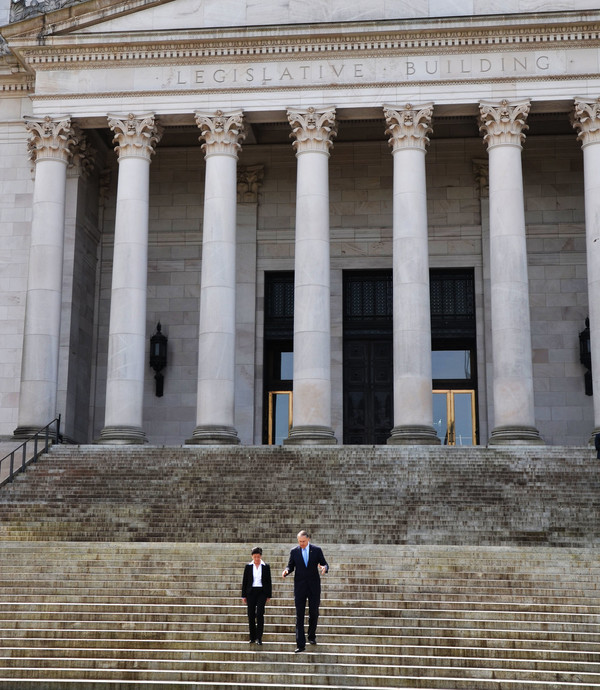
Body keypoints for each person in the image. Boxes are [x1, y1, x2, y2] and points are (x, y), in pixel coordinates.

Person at [282, 530, 329, 653]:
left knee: (314, 612)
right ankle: (300, 644)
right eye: (299, 541)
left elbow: (324, 563)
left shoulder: (317, 550)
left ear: (308, 539)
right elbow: (290, 565)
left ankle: (311, 635)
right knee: (299, 615)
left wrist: (324, 568)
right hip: (300, 587)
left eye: (303, 541)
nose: (301, 543)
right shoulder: (294, 551)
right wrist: (286, 571)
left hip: (313, 587)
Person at [241, 547, 272, 645]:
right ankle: (252, 637)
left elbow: (268, 581)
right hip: (251, 592)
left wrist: (269, 595)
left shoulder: (266, 566)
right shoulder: (248, 566)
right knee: (251, 615)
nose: (257, 559)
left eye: (258, 557)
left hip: (262, 592)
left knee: (259, 614)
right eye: (255, 557)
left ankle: (259, 637)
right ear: (252, 556)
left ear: (261, 556)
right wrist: (243, 596)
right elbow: (245, 581)